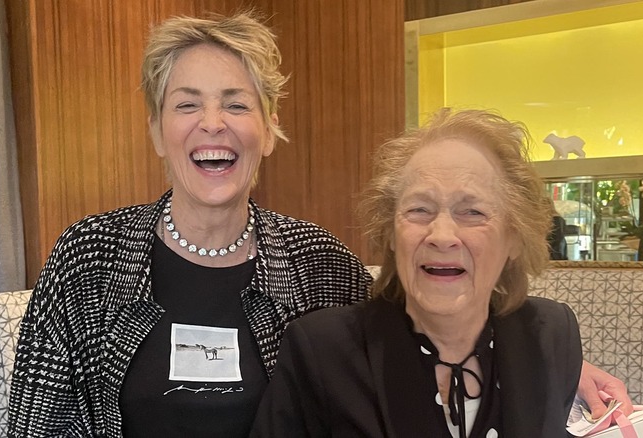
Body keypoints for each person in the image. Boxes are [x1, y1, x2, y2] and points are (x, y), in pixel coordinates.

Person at [8, 11, 629, 437]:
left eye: (236, 103)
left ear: (269, 129)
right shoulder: (89, 256)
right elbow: (34, 423)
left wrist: (557, 366)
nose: (212, 123)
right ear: (156, 131)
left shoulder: (318, 262)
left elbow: (412, 333)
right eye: (186, 104)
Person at [251, 108, 610, 437]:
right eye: (419, 210)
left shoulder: (551, 333)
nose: (441, 236)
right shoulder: (321, 350)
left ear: (515, 237)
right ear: (390, 232)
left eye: (472, 212)